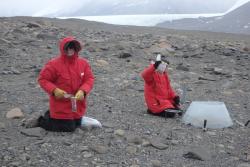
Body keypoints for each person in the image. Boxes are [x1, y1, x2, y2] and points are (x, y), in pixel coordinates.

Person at [37, 36, 94, 132]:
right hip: (60, 107)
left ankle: (50, 114)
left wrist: (83, 91)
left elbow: (89, 79)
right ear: (63, 49)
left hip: (77, 106)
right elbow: (43, 79)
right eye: (67, 47)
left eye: (72, 47)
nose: (70, 50)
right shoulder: (53, 64)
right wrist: (54, 90)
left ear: (76, 48)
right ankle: (41, 121)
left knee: (77, 124)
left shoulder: (83, 63)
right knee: (68, 128)